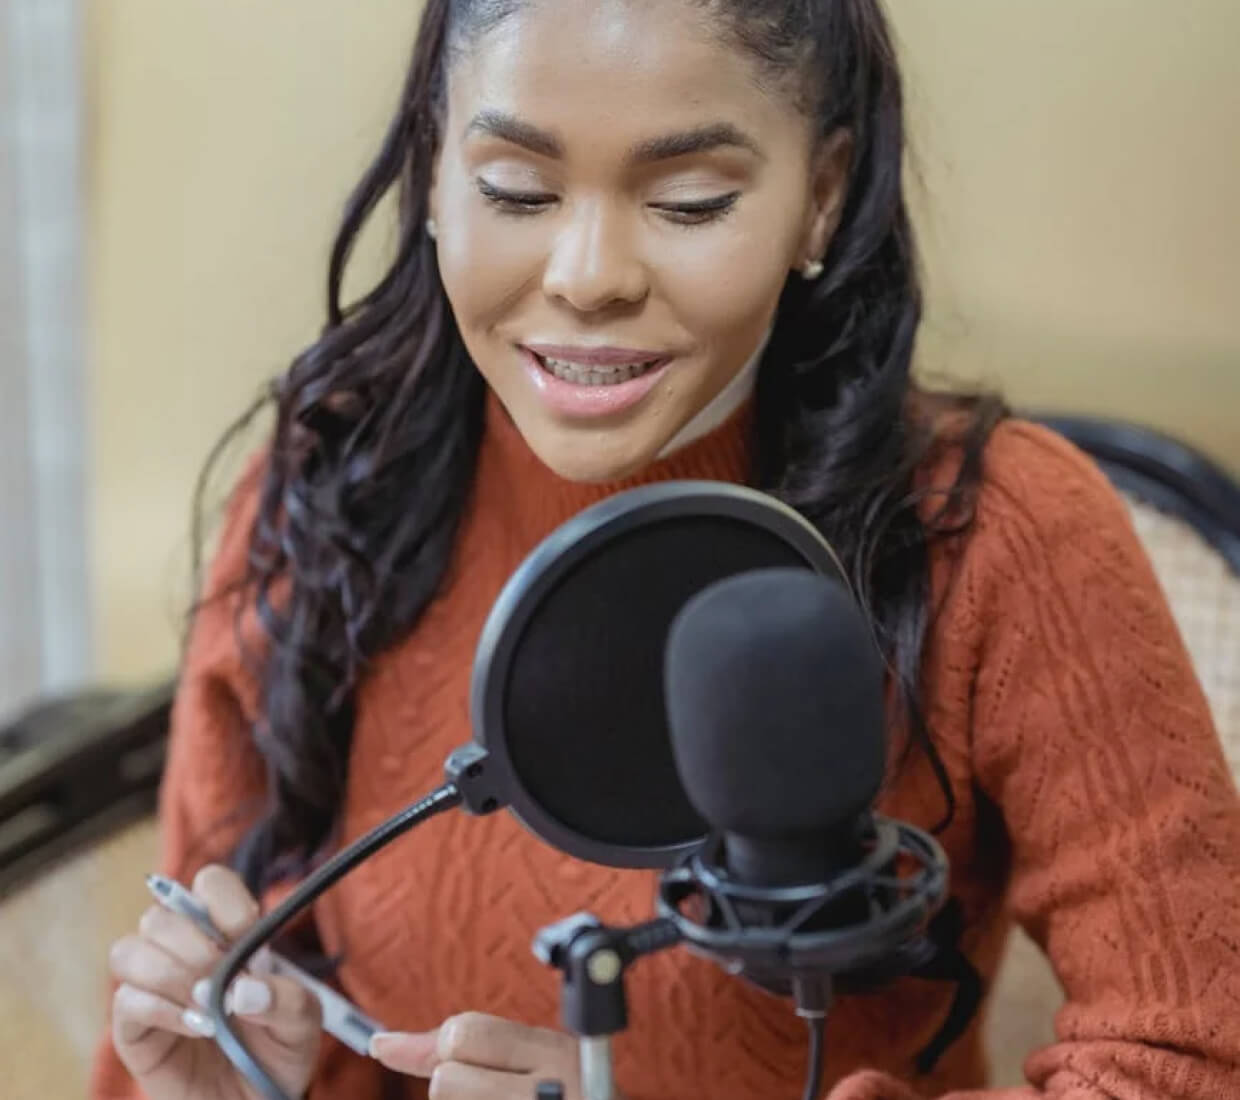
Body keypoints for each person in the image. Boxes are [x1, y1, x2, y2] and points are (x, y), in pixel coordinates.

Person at [92, 0, 1240, 1097]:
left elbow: (1194, 1060)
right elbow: (250, 990)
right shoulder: (326, 496)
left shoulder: (1000, 535)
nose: (589, 276)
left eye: (689, 201)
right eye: (517, 189)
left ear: (823, 194)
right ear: (437, 175)